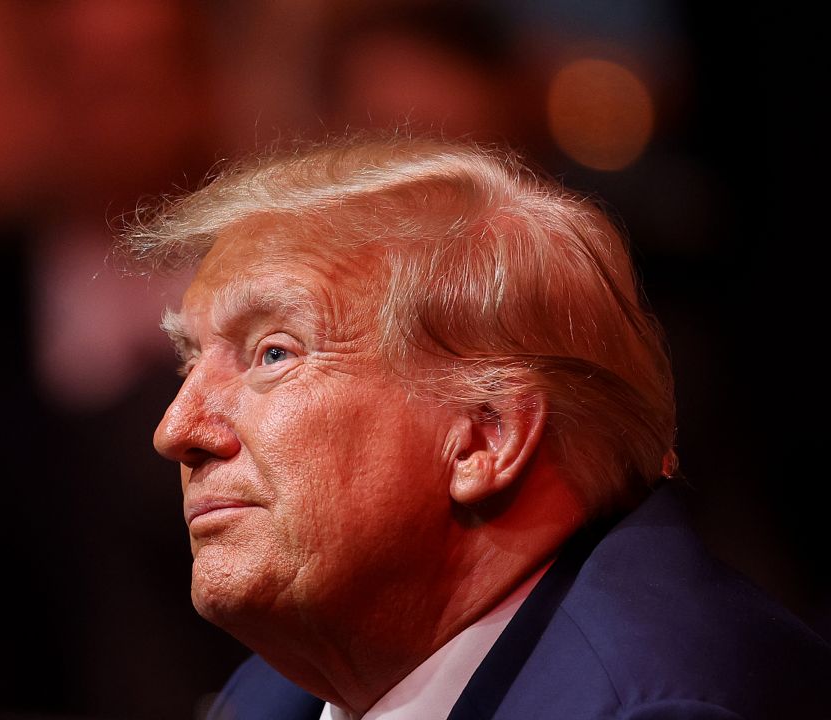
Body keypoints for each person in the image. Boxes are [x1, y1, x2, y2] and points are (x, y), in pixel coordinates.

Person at [120, 136, 829, 719]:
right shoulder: (266, 699)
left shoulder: (670, 705)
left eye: (274, 353)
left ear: (487, 437)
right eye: (189, 361)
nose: (178, 428)